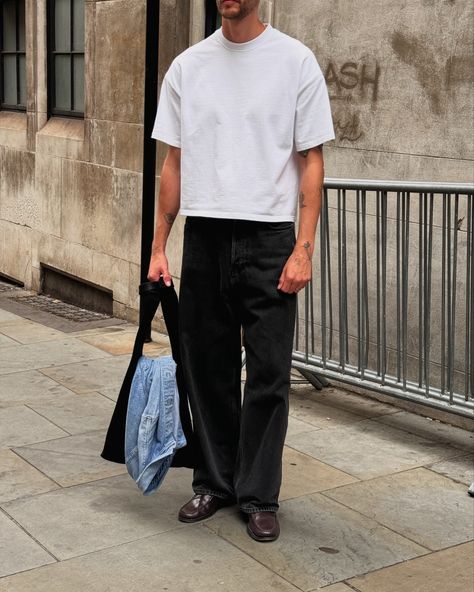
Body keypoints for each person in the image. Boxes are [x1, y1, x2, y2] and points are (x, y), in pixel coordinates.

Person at [147, 0, 334, 542]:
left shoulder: (294, 61)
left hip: (270, 236)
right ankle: (214, 482)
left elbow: (312, 160)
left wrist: (304, 247)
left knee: (270, 375)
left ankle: (258, 494)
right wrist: (160, 246)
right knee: (208, 370)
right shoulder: (187, 67)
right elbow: (173, 163)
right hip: (204, 234)